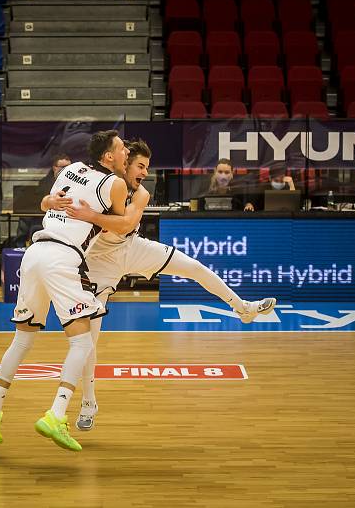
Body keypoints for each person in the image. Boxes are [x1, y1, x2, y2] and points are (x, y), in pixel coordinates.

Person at [60, 140, 276, 431]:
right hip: (99, 262)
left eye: (147, 168)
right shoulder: (104, 183)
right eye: (140, 166)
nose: (144, 172)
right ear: (124, 163)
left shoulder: (142, 193)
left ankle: (243, 308)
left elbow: (125, 224)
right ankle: (89, 401)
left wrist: (92, 216)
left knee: (194, 267)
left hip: (132, 247)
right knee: (89, 341)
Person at [0, 130, 130, 452]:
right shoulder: (115, 183)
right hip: (62, 257)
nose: (126, 151)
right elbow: (122, 225)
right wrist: (91, 216)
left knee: (22, 339)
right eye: (121, 148)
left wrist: (49, 201)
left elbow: (46, 202)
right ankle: (57, 414)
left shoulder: (70, 169)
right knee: (82, 341)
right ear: (109, 156)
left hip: (34, 251)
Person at [8, 153, 71, 248]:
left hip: (66, 219)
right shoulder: (45, 182)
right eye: (62, 167)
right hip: (43, 216)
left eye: (69, 167)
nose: (66, 169)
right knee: (26, 218)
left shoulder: (74, 182)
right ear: (54, 167)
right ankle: (19, 247)